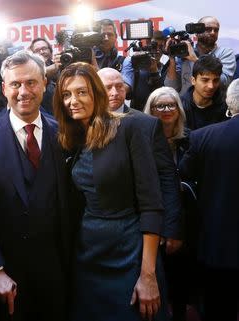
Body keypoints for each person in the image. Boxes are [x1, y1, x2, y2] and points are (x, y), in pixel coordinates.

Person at [0, 50, 70, 321]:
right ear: (4, 88)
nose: (24, 91)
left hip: (58, 273)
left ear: (45, 83)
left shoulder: (66, 135)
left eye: (31, 82)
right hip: (5, 277)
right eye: (15, 84)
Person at [53, 62, 168, 321]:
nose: (73, 101)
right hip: (88, 251)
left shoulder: (131, 128)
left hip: (129, 249)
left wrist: (148, 275)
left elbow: (151, 204)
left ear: (97, 93)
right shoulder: (70, 138)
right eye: (67, 95)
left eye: (82, 92)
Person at [97, 68, 182, 248]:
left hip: (140, 224)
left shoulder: (147, 124)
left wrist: (171, 226)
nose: (114, 93)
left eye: (119, 87)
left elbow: (167, 176)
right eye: (107, 87)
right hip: (96, 228)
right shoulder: (84, 124)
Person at [179, 78, 239, 321]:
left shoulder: (203, 137)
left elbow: (182, 180)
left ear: (229, 102)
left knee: (218, 310)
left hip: (217, 245)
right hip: (217, 245)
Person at [144, 87, 197, 321]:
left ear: (179, 109)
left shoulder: (191, 139)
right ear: (150, 110)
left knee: (180, 276)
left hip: (185, 216)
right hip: (153, 216)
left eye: (171, 105)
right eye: (159, 106)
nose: (166, 110)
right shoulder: (142, 140)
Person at [164, 16, 236, 95]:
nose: (213, 32)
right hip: (185, 105)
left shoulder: (225, 53)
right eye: (208, 29)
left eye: (216, 30)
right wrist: (172, 59)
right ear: (196, 32)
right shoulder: (186, 52)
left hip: (212, 106)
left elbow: (223, 82)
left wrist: (195, 60)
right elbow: (171, 87)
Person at [122, 30, 169, 110]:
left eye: (161, 47)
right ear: (147, 45)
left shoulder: (166, 69)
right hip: (138, 115)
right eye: (154, 46)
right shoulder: (135, 66)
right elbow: (128, 96)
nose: (157, 50)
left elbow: (162, 97)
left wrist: (154, 72)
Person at [180, 55, 227, 130]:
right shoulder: (180, 106)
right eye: (205, 80)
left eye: (215, 80)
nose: (211, 86)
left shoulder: (226, 106)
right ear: (193, 80)